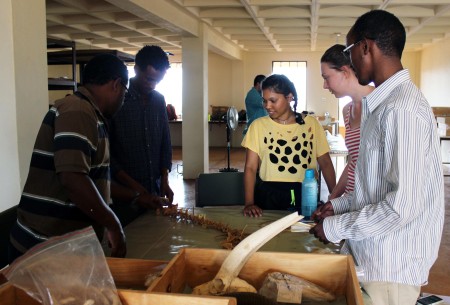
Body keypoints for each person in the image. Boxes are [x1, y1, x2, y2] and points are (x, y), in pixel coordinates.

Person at [310, 10, 444, 305]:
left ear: (366, 47)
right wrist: (338, 206)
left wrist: (335, 227)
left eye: (350, 51)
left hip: (389, 267)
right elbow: (374, 189)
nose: (350, 60)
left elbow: (400, 208)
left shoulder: (401, 109)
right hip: (374, 258)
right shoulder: (383, 106)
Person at [9, 54, 129, 262]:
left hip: (60, 245)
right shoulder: (78, 110)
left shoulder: (89, 113)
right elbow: (73, 178)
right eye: (125, 93)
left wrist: (135, 196)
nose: (123, 100)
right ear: (116, 85)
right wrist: (113, 224)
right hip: (45, 247)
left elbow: (94, 180)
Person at [242, 74, 336, 217]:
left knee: (302, 234)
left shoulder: (311, 125)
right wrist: (249, 203)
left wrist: (334, 200)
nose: (267, 106)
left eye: (273, 100)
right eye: (264, 101)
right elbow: (250, 167)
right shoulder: (258, 126)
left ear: (289, 97)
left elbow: (326, 163)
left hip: (304, 193)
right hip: (268, 194)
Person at [109, 45, 174, 226]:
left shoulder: (159, 100)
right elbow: (109, 155)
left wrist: (165, 180)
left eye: (158, 81)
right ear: (136, 69)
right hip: (124, 195)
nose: (153, 85)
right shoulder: (117, 100)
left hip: (154, 190)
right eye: (149, 79)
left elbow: (165, 142)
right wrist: (137, 190)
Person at [320, 44, 374, 199]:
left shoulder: (380, 105)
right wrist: (334, 197)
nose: (324, 85)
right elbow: (353, 161)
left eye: (326, 78)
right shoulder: (347, 110)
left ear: (344, 72)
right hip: (350, 200)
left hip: (370, 203)